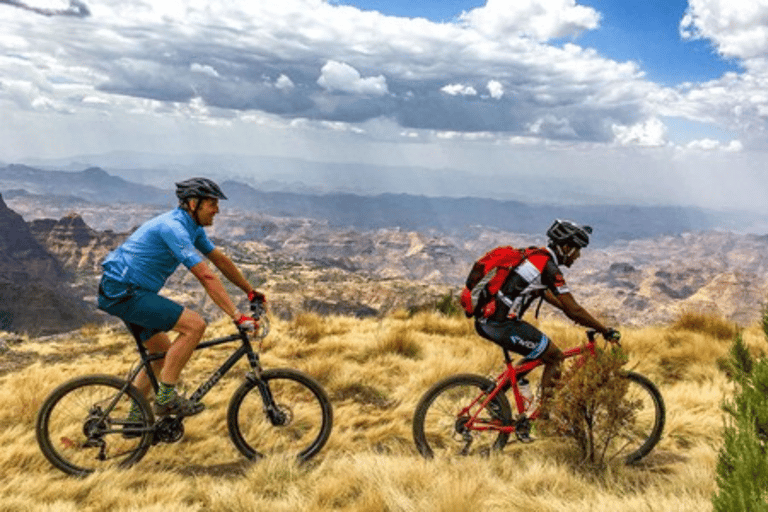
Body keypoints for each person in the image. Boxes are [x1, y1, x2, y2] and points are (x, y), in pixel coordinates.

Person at [97, 177, 266, 418]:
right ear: (193, 203)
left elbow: (219, 260)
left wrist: (249, 290)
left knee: (162, 357)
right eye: (212, 204)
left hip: (128, 290)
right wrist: (237, 316)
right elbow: (205, 275)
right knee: (195, 326)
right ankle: (165, 400)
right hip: (124, 291)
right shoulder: (173, 228)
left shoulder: (191, 227)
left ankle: (136, 417)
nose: (217, 210)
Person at [473, 219, 620, 436]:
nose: (578, 256)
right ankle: (544, 418)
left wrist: (575, 314)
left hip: (489, 321)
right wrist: (603, 329)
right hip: (500, 324)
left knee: (537, 352)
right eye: (577, 250)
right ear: (566, 247)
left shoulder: (537, 257)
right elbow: (573, 309)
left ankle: (495, 397)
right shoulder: (548, 267)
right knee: (555, 357)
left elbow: (551, 297)